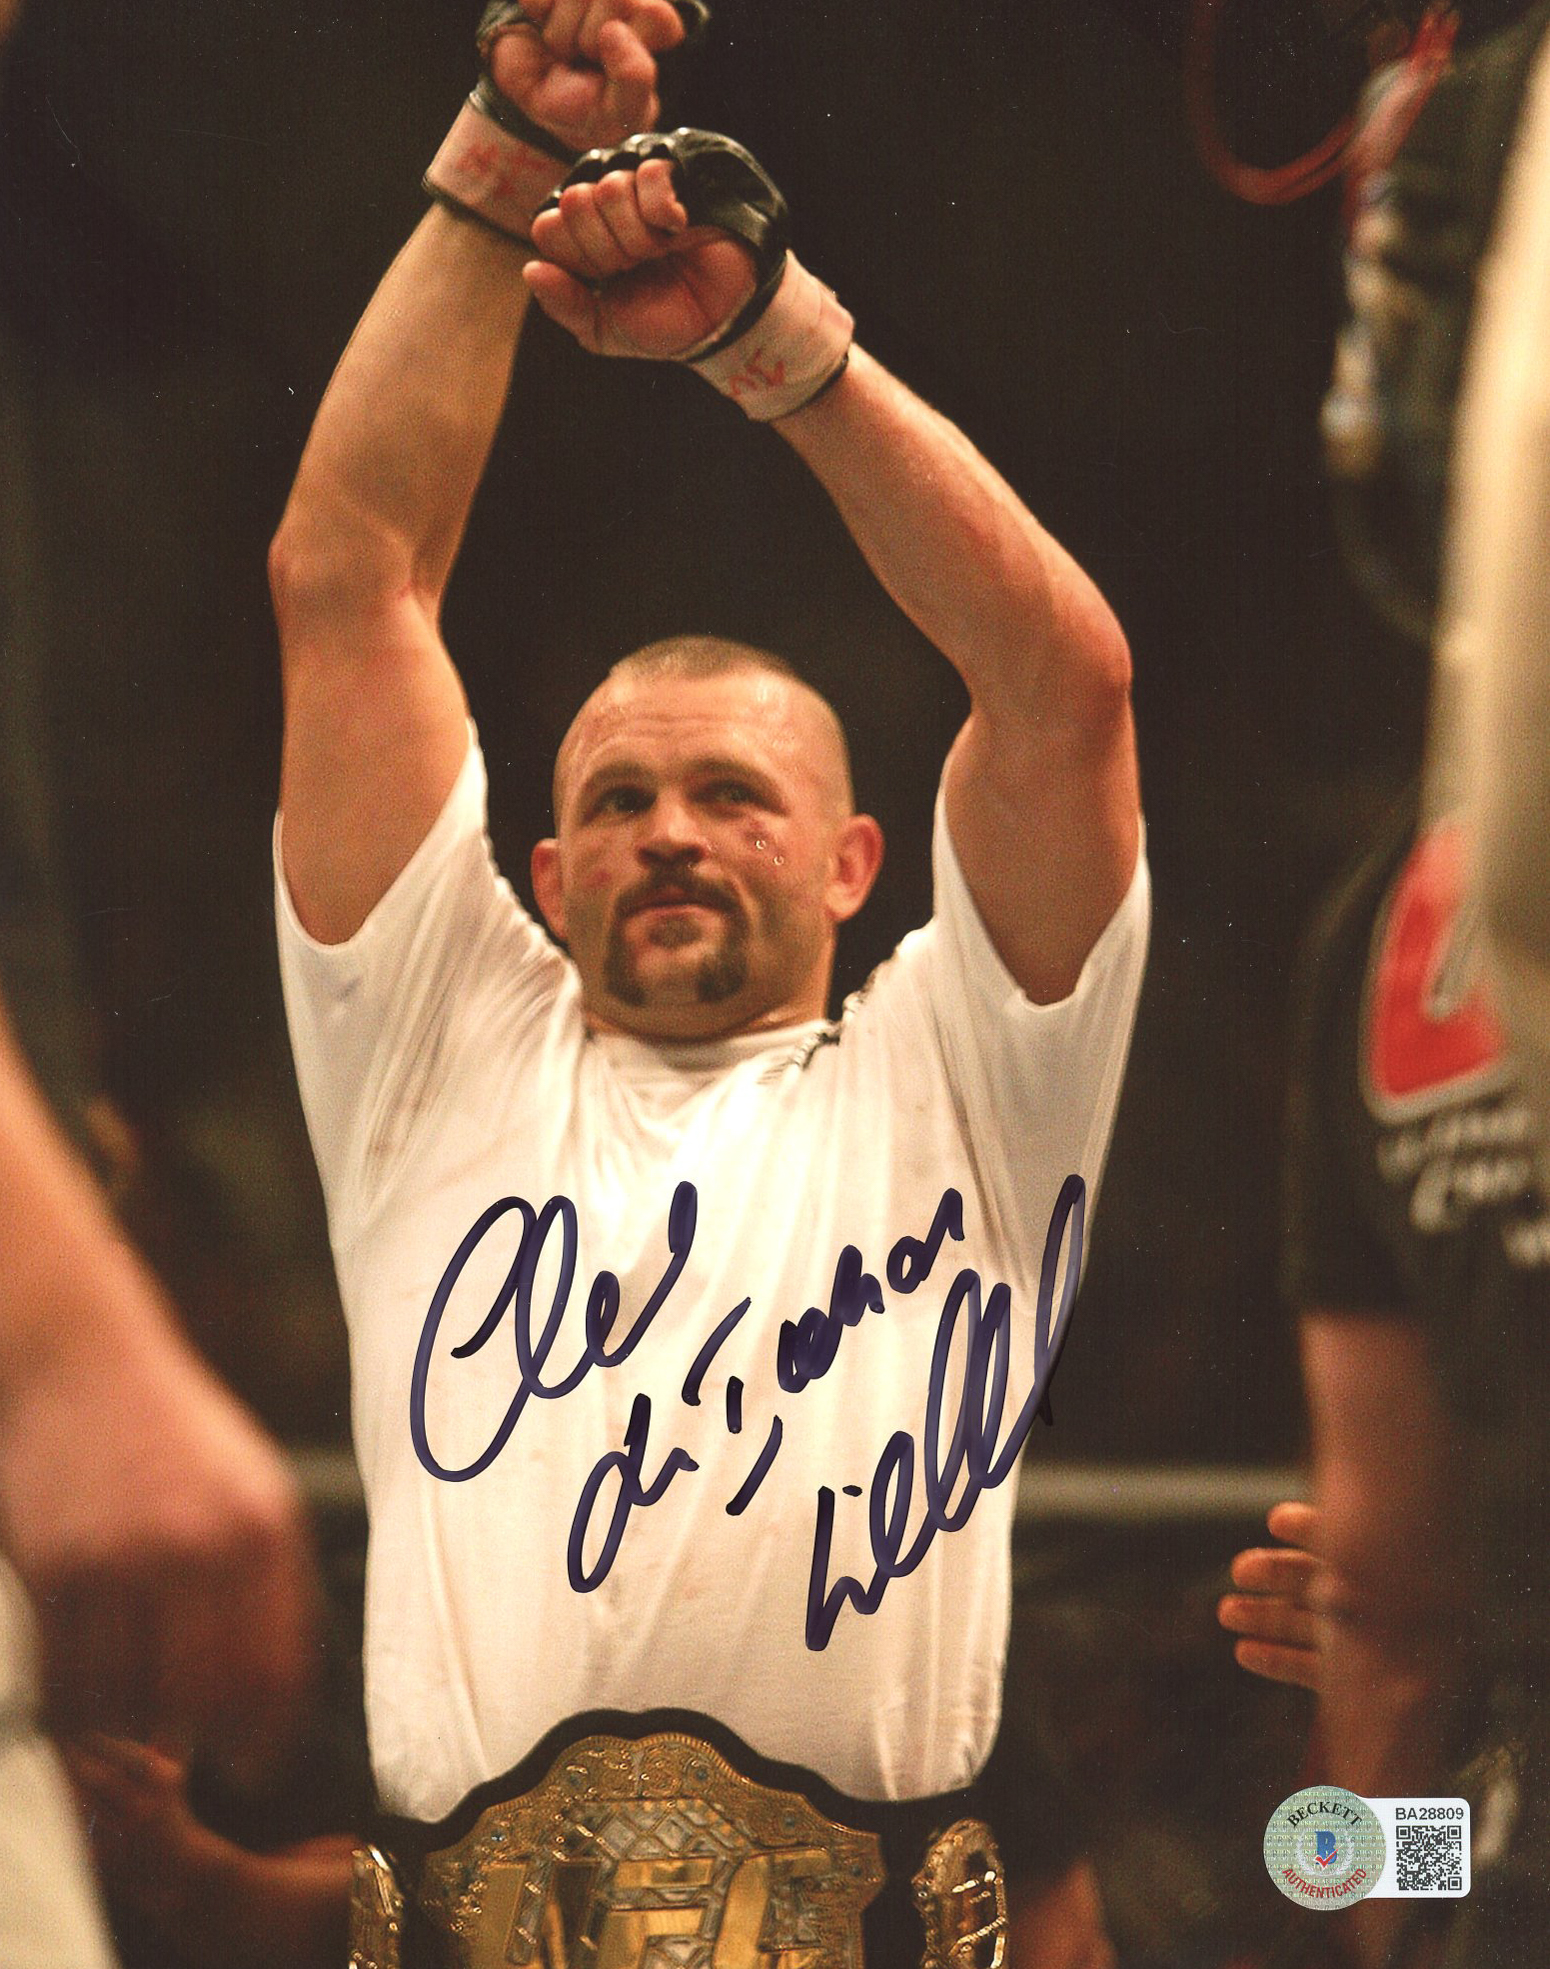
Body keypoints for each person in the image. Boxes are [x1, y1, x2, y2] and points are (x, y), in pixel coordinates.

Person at [270, 0, 1147, 1959]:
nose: (669, 831)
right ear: (544, 873)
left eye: (732, 796)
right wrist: (504, 155)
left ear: (855, 865)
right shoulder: (434, 1046)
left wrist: (777, 348)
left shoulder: (965, 1078)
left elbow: (1060, 683)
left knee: (1379, 1850)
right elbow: (348, 580)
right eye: (619, 800)